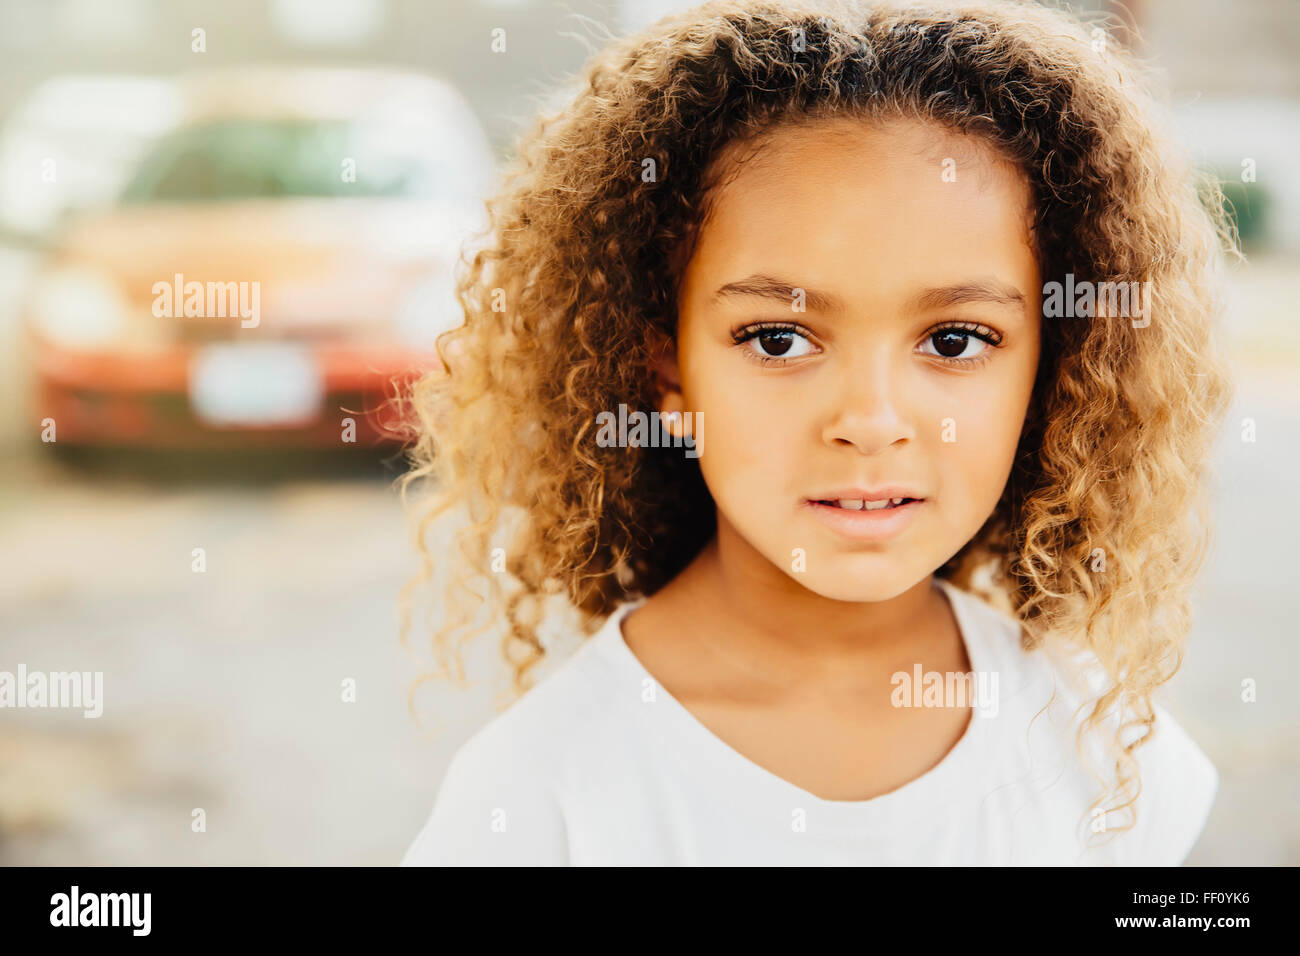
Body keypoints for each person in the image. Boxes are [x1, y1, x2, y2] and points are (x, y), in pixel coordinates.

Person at [399, 0, 1235, 865]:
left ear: (1050, 371)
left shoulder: (1102, 752)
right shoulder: (540, 800)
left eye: (955, 341)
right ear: (668, 375)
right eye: (779, 339)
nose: (869, 423)